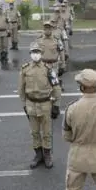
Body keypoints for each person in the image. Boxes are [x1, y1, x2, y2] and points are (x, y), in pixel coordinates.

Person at [18, 41, 62, 169]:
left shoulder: (48, 70)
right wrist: (24, 105)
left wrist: (56, 105)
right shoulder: (25, 69)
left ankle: (47, 154)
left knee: (47, 132)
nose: (35, 55)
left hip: (45, 104)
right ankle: (38, 155)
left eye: (37, 52)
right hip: (31, 104)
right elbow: (21, 89)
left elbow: (56, 87)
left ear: (41, 54)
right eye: (33, 52)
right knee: (35, 132)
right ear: (30, 54)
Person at [36, 21, 66, 91]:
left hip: (54, 65)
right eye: (46, 28)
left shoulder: (57, 39)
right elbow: (35, 52)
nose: (47, 30)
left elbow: (61, 51)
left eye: (49, 28)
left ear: (52, 29)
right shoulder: (39, 40)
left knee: (54, 86)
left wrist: (63, 63)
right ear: (43, 29)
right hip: (42, 64)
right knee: (43, 84)